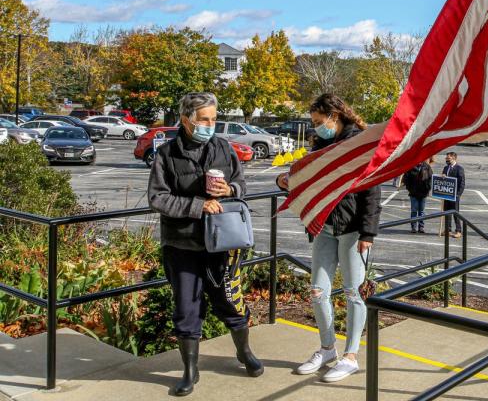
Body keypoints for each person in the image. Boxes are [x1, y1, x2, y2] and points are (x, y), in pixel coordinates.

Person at [148, 92, 262, 397]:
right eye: (204, 120)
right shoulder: (167, 154)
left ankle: (244, 351)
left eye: (213, 119)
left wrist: (230, 189)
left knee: (229, 300)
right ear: (186, 120)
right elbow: (157, 198)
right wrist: (197, 206)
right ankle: (189, 370)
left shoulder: (223, 147)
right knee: (187, 308)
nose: (210, 125)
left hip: (222, 242)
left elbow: (242, 185)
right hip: (181, 244)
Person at [276, 94, 382, 383]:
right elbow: (308, 180)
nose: (315, 127)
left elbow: (372, 191)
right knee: (317, 291)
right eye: (313, 123)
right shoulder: (319, 144)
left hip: (353, 230)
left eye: (319, 122)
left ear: (334, 116)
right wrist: (283, 181)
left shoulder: (358, 142)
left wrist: (368, 232)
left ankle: (351, 356)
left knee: (353, 291)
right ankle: (327, 349)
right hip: (324, 227)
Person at [403, 157, 433, 233]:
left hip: (423, 193)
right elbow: (406, 179)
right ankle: (413, 227)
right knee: (414, 211)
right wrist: (410, 189)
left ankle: (421, 227)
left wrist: (428, 188)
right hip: (414, 193)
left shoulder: (427, 167)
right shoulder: (410, 167)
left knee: (421, 211)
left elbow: (430, 178)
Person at [441, 152, 466, 237]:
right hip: (446, 194)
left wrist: (458, 195)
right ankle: (447, 229)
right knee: (447, 213)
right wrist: (443, 176)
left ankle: (458, 231)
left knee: (455, 213)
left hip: (454, 195)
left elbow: (462, 183)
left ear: (454, 158)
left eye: (448, 159)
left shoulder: (459, 169)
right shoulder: (445, 168)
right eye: (446, 159)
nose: (447, 160)